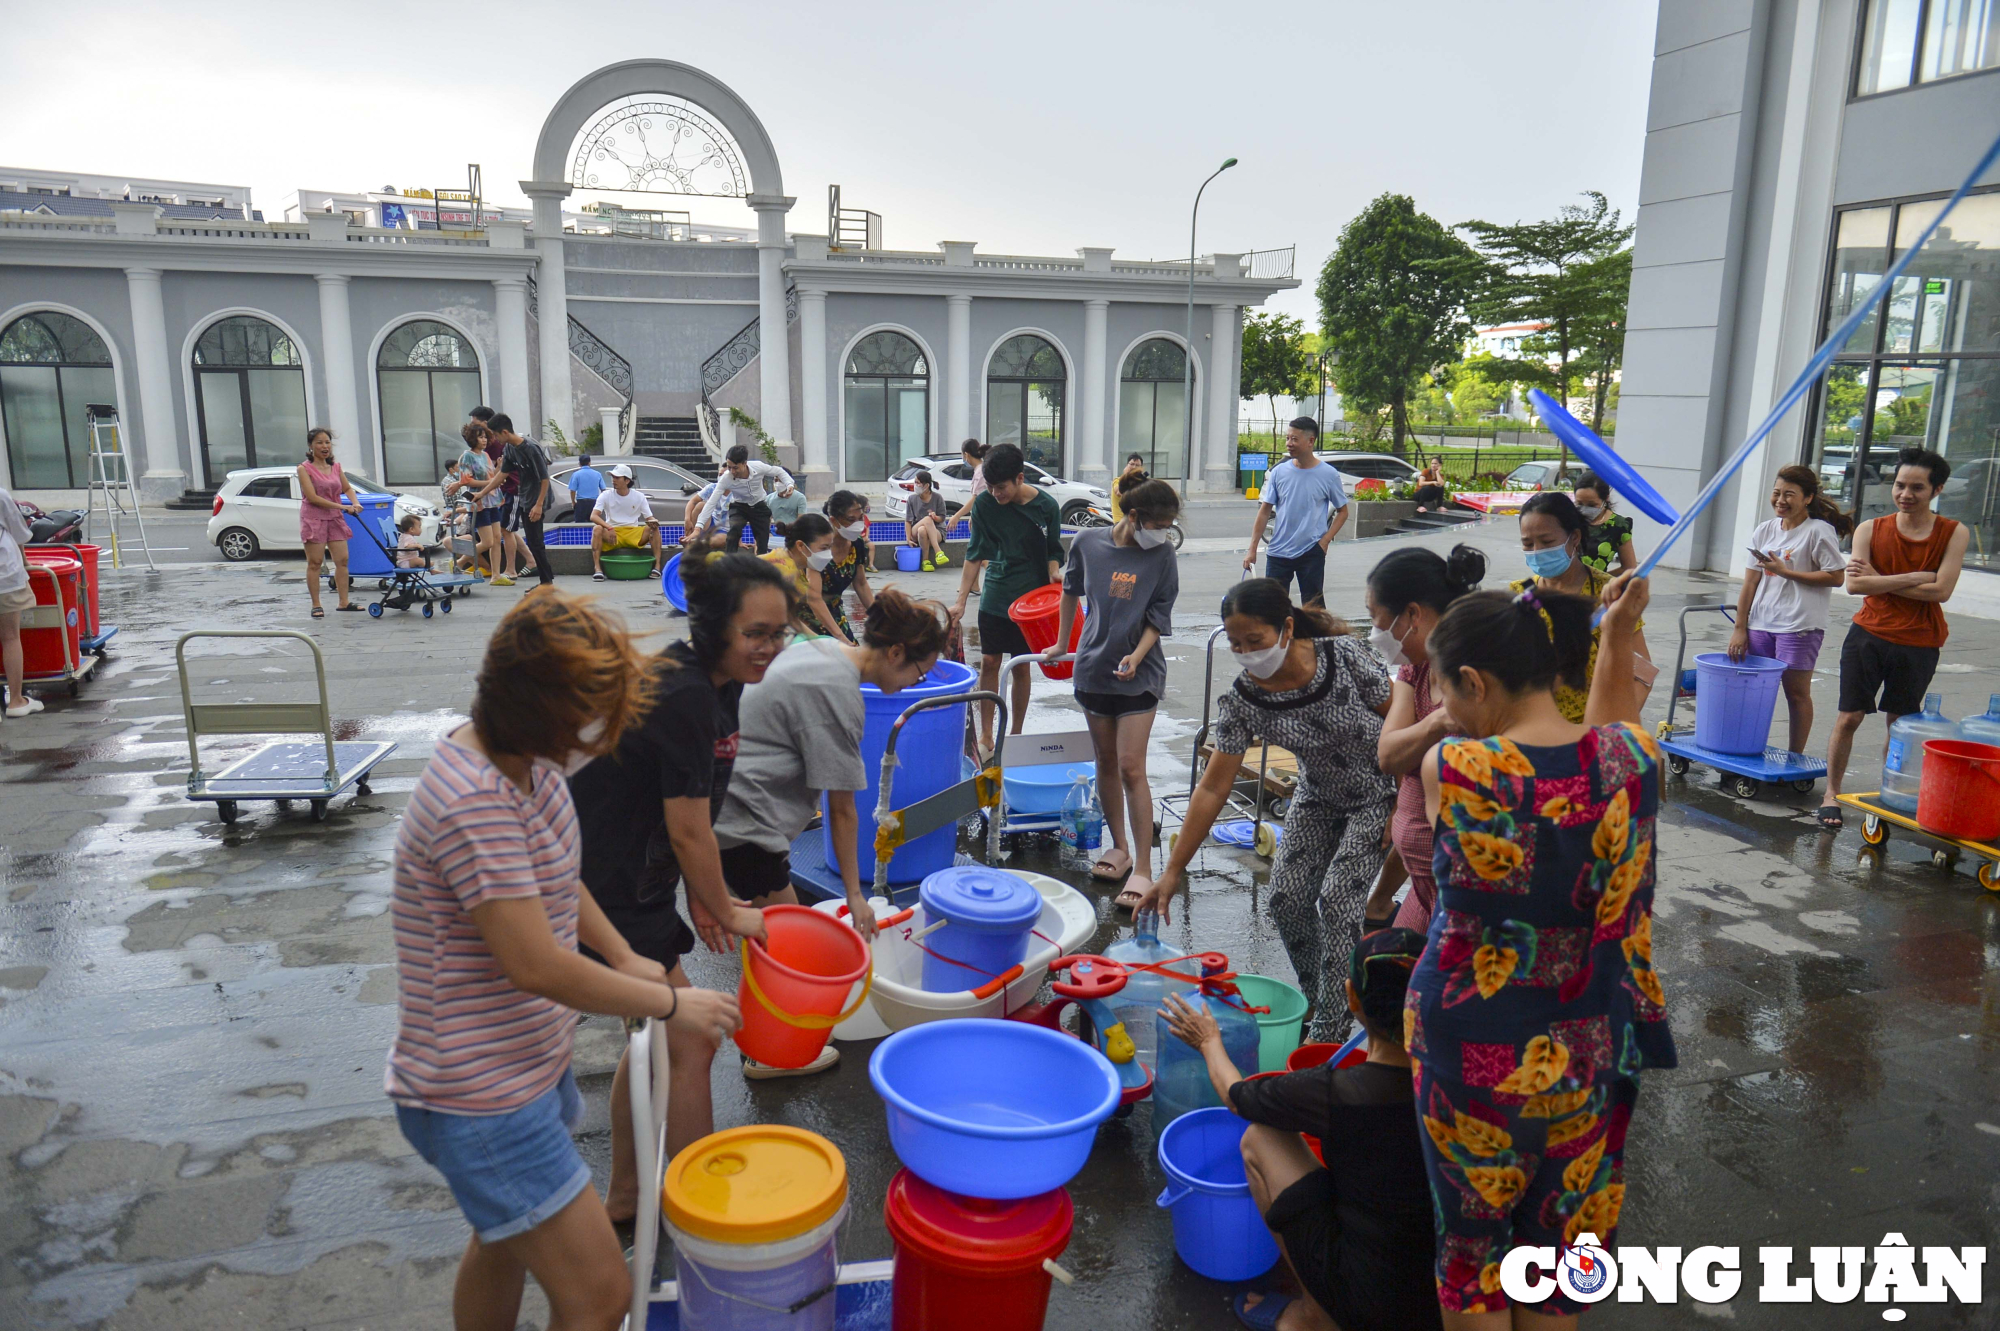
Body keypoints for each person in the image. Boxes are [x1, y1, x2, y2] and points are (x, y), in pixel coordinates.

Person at [386, 592, 741, 1331]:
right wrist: (673, 1003)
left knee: (504, 1238)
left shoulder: (530, 765)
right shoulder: (471, 800)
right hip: (478, 1095)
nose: (605, 735)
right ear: (539, 708)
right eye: (593, 715)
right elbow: (536, 966)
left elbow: (552, 872)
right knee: (599, 1295)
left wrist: (621, 951)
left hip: (519, 1068)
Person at [1408, 570, 1673, 1324]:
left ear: (1472, 680)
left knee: (1473, 1252)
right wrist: (1617, 633)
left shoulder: (1456, 769)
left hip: (1471, 1049)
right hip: (1593, 1039)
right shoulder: (1634, 762)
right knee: (1565, 1248)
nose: (1446, 714)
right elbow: (1605, 736)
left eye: (1446, 694)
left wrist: (1613, 632)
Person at [567, 552, 789, 1219]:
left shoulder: (718, 681)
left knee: (654, 1034)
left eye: (780, 631)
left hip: (637, 876)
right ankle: (709, 1212)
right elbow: (690, 829)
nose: (770, 647)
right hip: (606, 882)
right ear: (714, 626)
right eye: (757, 633)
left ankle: (630, 1196)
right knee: (689, 1035)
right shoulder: (687, 692)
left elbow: (691, 802)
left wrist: (697, 892)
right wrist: (725, 908)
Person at [1136, 580, 1393, 1042]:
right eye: (1236, 645)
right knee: (1286, 899)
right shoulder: (1242, 701)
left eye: (1255, 641)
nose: (1247, 653)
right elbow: (1214, 787)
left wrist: (1407, 800)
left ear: (1287, 627)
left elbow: (1404, 720)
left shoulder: (1343, 658)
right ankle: (1324, 998)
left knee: (1337, 902)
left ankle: (1330, 1034)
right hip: (1318, 795)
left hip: (1380, 792)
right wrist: (1172, 870)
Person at [1161, 929, 1441, 1331]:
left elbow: (1236, 1096)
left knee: (1261, 1136)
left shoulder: (1336, 1091)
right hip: (1449, 1296)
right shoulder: (1460, 1083)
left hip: (1366, 1301)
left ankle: (1314, 1318)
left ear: (1352, 998)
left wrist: (1208, 1041)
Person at [713, 588, 950, 1027]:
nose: (916, 683)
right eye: (920, 672)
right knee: (785, 944)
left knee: (770, 936)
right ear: (896, 651)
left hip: (729, 805)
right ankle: (768, 1048)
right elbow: (842, 809)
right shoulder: (839, 694)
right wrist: (856, 898)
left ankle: (769, 1034)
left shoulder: (825, 649)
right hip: (744, 824)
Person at [1044, 478, 1180, 906]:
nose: (1165, 532)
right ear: (1133, 516)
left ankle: (1143, 868)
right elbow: (1069, 592)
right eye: (1160, 523)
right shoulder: (1087, 542)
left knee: (1130, 767)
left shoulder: (1162, 555)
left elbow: (1159, 615)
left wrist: (1138, 656)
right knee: (1104, 760)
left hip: (1139, 674)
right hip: (1094, 669)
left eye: (1170, 525)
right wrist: (1064, 644)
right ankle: (1118, 848)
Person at [1821, 446, 1969, 828]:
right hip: (1868, 634)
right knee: (1849, 717)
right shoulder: (1870, 529)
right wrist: (1915, 576)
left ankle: (1890, 793)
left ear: (1937, 489)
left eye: (1916, 487)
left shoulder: (1954, 533)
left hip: (1920, 641)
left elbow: (1942, 592)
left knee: (1899, 723)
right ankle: (1831, 794)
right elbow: (1854, 586)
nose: (1905, 494)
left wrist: (1879, 580)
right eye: (1900, 485)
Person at [1362, 544, 1488, 935]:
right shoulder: (1414, 672)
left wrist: (1428, 731)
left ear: (1412, 615)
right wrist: (1437, 725)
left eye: (1376, 618)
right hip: (1421, 883)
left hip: (1461, 888)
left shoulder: (1477, 677)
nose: (1375, 632)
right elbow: (1389, 754)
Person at [1726, 465, 1852, 758]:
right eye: (1776, 493)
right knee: (1755, 695)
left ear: (1807, 498)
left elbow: (1836, 577)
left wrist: (1787, 572)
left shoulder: (1819, 532)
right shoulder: (1765, 530)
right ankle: (1748, 749)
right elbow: (1750, 583)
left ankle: (1795, 757)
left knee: (1796, 694)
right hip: (1761, 624)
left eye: (1789, 495)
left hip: (1799, 626)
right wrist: (1740, 627)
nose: (1780, 500)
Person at [950, 443, 1065, 759]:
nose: (995, 493)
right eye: (989, 487)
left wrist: (1054, 571)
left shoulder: (1047, 507)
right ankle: (987, 732)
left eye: (1001, 487)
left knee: (1021, 667)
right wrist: (961, 601)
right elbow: (975, 553)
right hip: (997, 594)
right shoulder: (985, 504)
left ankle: (1015, 733)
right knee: (990, 661)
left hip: (1032, 602)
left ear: (1019, 477)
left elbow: (1054, 550)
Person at [1511, 491, 1654, 723]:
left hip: (1597, 730)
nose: (1537, 551)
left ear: (1574, 537)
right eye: (1528, 543)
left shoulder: (1609, 594)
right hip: (1536, 732)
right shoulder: (1519, 596)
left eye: (1547, 542)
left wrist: (1612, 730)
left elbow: (1643, 673)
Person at [1243, 418, 1349, 604]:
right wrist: (1252, 549)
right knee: (1273, 606)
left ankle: (1310, 635)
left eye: (1294, 439)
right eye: (1287, 438)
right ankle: (1281, 634)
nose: (1289, 444)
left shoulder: (1328, 474)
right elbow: (1265, 510)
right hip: (1278, 551)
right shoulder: (1279, 472)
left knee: (1313, 608)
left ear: (1310, 441)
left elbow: (1343, 511)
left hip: (1311, 551)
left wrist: (1324, 541)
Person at [477, 415, 553, 589]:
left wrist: (539, 505)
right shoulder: (510, 449)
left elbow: (544, 478)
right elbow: (502, 474)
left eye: (496, 436)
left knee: (535, 541)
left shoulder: (531, 448)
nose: (495, 440)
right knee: (534, 542)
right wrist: (481, 493)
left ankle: (546, 582)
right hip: (525, 497)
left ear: (504, 432)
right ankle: (546, 580)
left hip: (537, 499)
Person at [298, 427, 362, 618]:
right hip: (313, 518)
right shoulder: (303, 469)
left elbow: (347, 488)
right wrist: (343, 507)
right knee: (315, 562)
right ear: (311, 446)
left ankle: (344, 602)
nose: (324, 446)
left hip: (335, 518)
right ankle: (316, 604)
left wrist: (355, 502)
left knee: (342, 560)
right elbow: (313, 497)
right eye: (319, 442)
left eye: (327, 442)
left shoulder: (336, 467)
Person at [695, 444, 796, 555]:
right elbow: (711, 502)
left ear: (744, 463)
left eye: (735, 468)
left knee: (762, 538)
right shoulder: (726, 478)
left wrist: (789, 484)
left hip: (759, 505)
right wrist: (698, 527)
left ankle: (761, 563)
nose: (732, 471)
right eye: (729, 467)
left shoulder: (758, 467)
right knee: (734, 531)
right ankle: (729, 563)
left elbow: (778, 471)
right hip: (739, 506)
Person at [761, 514, 849, 642]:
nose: (828, 554)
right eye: (824, 548)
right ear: (801, 546)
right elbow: (779, 620)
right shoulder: (786, 572)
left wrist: (820, 641)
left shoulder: (785, 560)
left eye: (830, 547)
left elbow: (789, 617)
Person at [588, 464, 663, 581]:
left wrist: (654, 522)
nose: (613, 480)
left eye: (617, 478)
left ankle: (657, 567)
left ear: (627, 480)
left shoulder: (639, 496)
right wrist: (609, 528)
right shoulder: (605, 495)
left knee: (653, 529)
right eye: (612, 477)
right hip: (613, 533)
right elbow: (593, 516)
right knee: (597, 529)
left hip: (633, 533)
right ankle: (598, 569)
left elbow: (649, 518)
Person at [0, 485, 37, 719]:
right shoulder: (1, 495)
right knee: (10, 637)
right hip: (5, 575)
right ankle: (16, 701)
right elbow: (19, 534)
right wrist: (25, 562)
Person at [819, 491, 876, 643]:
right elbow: (812, 598)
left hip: (835, 611)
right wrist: (839, 637)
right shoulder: (816, 545)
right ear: (834, 520)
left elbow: (861, 583)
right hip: (807, 612)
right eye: (851, 520)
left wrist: (878, 617)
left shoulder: (856, 545)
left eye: (860, 518)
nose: (858, 525)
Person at [450, 422, 502, 578]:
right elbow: (466, 481)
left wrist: (499, 469)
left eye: (485, 437)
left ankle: (496, 575)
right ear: (473, 439)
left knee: (497, 538)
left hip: (492, 500)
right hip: (478, 503)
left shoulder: (485, 456)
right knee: (487, 542)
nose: (484, 440)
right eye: (480, 437)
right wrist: (491, 483)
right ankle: (460, 562)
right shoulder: (467, 456)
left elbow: (492, 476)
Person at [1571, 472, 1637, 576]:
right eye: (1579, 503)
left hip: (1595, 589)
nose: (1584, 508)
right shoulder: (1568, 519)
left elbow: (1629, 568)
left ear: (1606, 498)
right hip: (1562, 586)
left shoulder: (1619, 525)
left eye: (1592, 505)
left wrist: (1598, 580)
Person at [903, 471, 951, 571]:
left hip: (936, 531)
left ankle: (925, 561)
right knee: (926, 520)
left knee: (923, 530)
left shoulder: (937, 497)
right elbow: (908, 520)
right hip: (915, 531)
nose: (915, 485)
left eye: (918, 483)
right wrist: (908, 539)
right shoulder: (912, 499)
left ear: (926, 485)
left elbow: (942, 518)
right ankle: (939, 552)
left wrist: (935, 517)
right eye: (915, 482)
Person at [944, 438, 988, 530]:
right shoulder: (980, 470)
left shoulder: (980, 472)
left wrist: (956, 516)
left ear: (966, 455)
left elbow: (976, 498)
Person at [565, 453, 605, 524]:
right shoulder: (597, 474)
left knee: (580, 525)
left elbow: (572, 490)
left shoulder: (576, 474)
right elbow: (603, 490)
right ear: (589, 463)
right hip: (594, 502)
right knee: (594, 524)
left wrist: (573, 502)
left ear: (579, 463)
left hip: (581, 503)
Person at [1109, 452, 1148, 522]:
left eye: (1137, 465)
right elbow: (1119, 492)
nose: (1134, 467)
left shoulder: (1140, 483)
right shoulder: (1118, 481)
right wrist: (1126, 475)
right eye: (1132, 464)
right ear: (1127, 465)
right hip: (1121, 523)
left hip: (1136, 524)